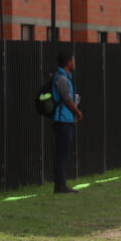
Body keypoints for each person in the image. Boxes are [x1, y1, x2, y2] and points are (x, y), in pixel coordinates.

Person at [52, 51, 83, 194]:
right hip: (62, 121)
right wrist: (77, 112)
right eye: (73, 60)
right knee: (61, 154)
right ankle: (60, 185)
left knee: (62, 154)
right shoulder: (62, 79)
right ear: (68, 62)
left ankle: (61, 184)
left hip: (66, 120)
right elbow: (67, 100)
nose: (74, 63)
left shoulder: (65, 78)